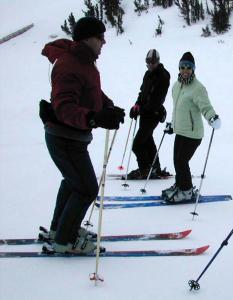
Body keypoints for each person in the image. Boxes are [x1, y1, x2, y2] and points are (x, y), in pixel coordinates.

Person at [40, 17, 125, 254]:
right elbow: (64, 107)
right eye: (100, 37)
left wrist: (107, 107)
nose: (104, 42)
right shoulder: (70, 64)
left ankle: (61, 230)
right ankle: (65, 240)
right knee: (86, 187)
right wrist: (95, 118)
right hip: (64, 137)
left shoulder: (83, 62)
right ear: (88, 38)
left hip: (71, 138)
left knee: (74, 183)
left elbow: (92, 92)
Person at [162, 52, 221, 203]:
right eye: (182, 67)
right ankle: (181, 185)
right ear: (179, 68)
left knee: (182, 161)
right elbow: (177, 108)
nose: (185, 70)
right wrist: (172, 124)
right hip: (180, 131)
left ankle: (186, 190)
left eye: (189, 67)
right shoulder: (176, 86)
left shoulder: (198, 88)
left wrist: (212, 117)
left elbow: (205, 107)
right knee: (177, 160)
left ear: (193, 69)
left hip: (193, 133)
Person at [127, 49, 171, 179]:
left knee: (138, 144)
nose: (150, 64)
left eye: (153, 62)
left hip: (154, 114)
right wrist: (136, 105)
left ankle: (145, 169)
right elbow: (142, 93)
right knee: (147, 140)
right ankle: (154, 167)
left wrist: (142, 108)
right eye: (148, 62)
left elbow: (157, 99)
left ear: (158, 61)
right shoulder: (147, 74)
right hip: (145, 114)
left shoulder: (163, 76)